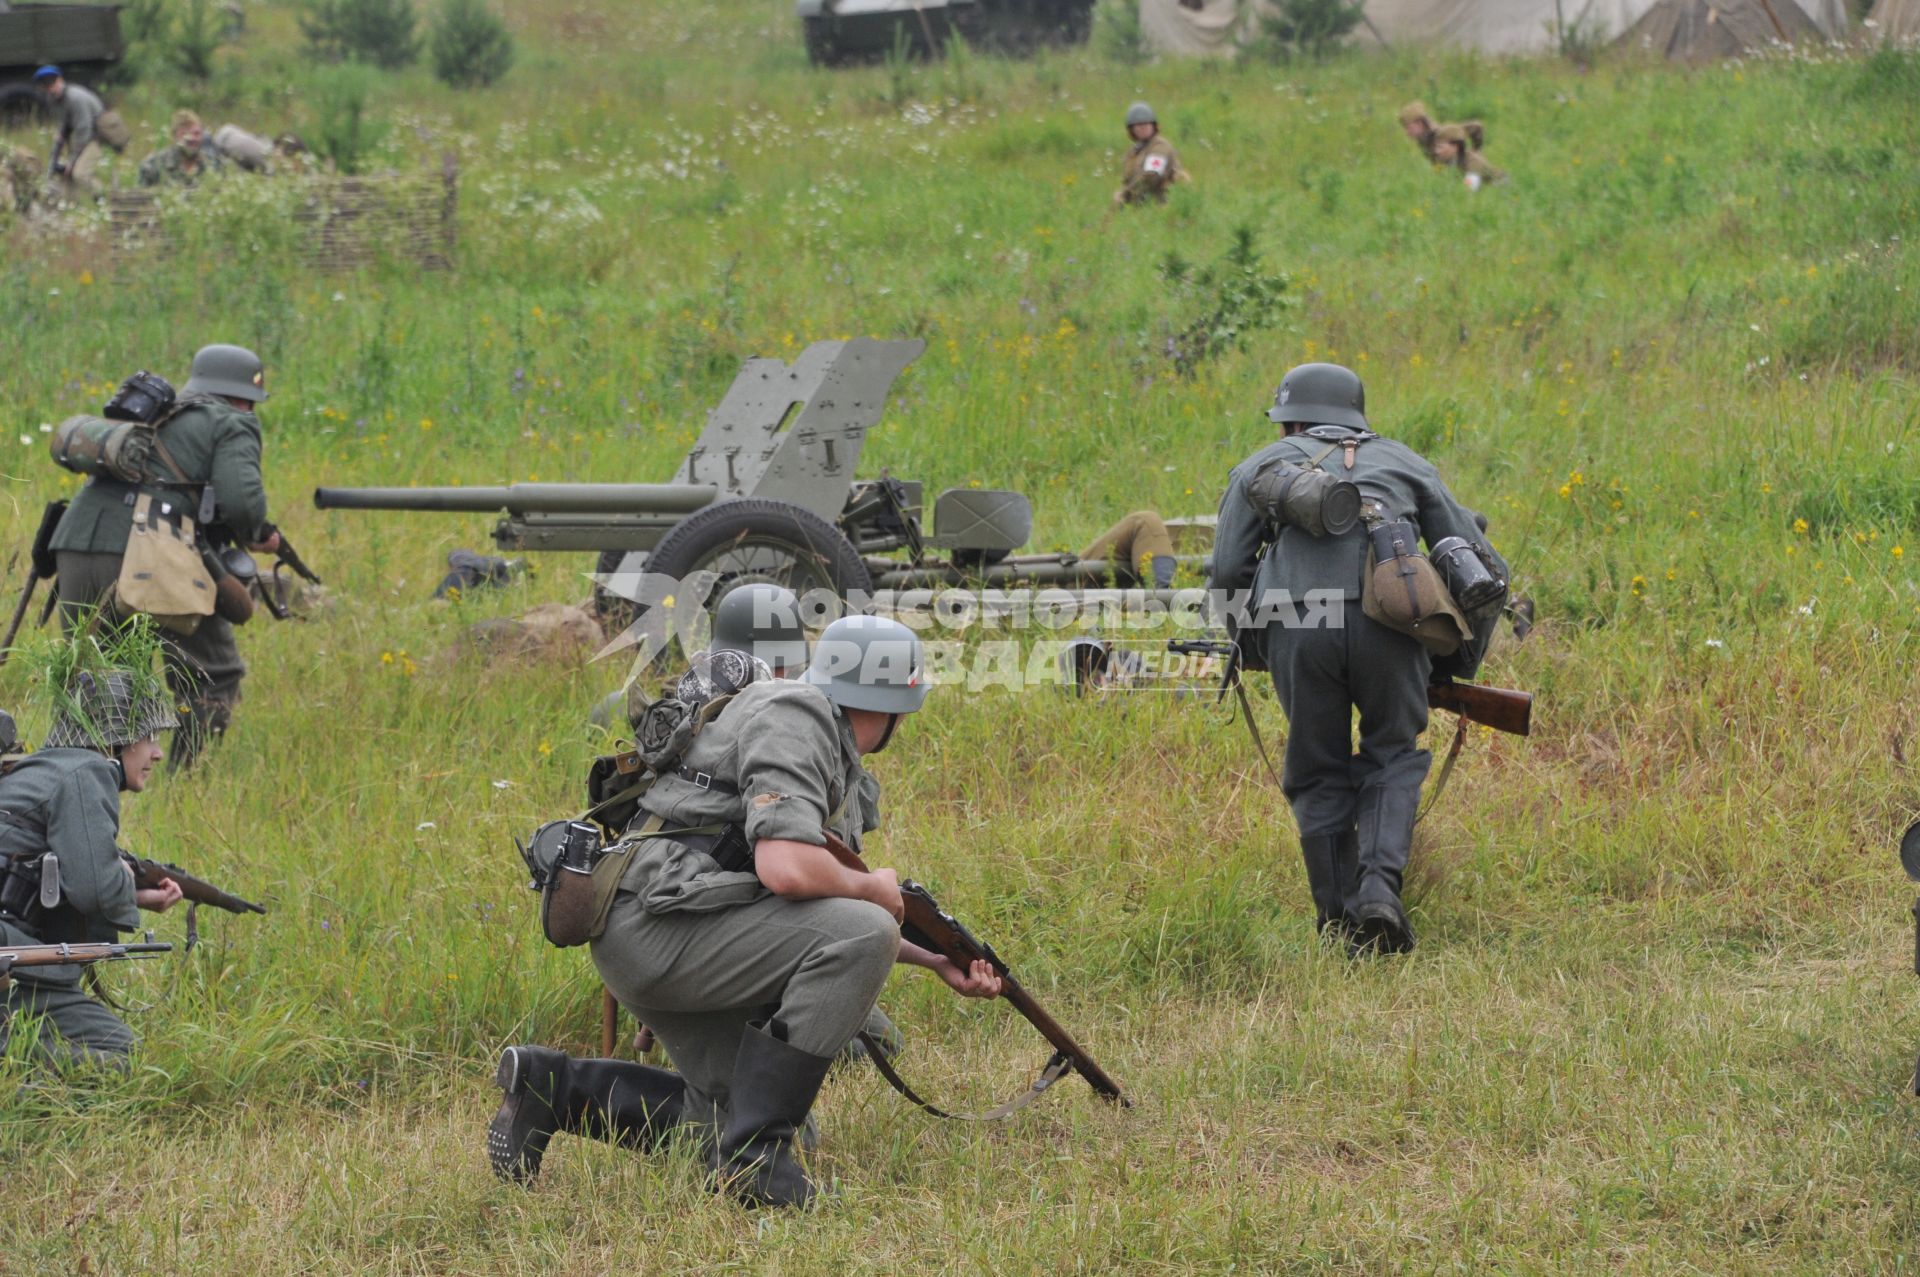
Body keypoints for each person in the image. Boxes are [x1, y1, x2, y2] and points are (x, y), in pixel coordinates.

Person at [489, 615, 1003, 1208]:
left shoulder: (812, 734)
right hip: (665, 932)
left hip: (665, 929)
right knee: (865, 929)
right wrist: (877, 893)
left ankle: (552, 1089)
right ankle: (753, 1166)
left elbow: (815, 917)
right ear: (893, 704)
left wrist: (936, 958)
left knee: (734, 1117)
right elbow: (788, 871)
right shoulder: (798, 716)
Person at [1208, 363, 1506, 955]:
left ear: (1291, 418)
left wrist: (1255, 646)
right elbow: (1481, 570)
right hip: (1393, 624)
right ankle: (1379, 893)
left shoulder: (1261, 467)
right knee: (1392, 755)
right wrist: (1451, 670)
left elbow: (1226, 573)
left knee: (1316, 767)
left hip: (1297, 622)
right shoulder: (1407, 463)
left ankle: (1338, 922)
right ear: (1355, 414)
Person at [50, 344, 279, 772]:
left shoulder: (155, 415)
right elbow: (243, 502)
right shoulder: (231, 421)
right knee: (211, 673)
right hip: (153, 548)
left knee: (97, 678)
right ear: (242, 395)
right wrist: (258, 533)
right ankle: (187, 779)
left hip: (77, 541)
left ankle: (85, 781)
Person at [0, 660, 183, 1070]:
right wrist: (124, 884)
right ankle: (15, 1071)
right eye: (148, 735)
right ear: (115, 738)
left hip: (9, 950)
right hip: (8, 956)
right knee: (127, 1059)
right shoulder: (86, 770)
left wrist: (135, 892)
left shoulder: (45, 769)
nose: (156, 752)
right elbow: (94, 889)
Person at [34, 66, 108, 201]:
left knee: (79, 174)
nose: (50, 88)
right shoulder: (56, 100)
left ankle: (104, 199)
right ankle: (72, 204)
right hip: (82, 138)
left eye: (51, 82)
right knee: (67, 174)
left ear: (60, 80)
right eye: (45, 84)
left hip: (96, 137)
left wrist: (73, 160)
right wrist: (56, 153)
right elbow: (63, 127)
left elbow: (84, 129)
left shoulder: (75, 98)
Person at [1398, 101, 1500, 188]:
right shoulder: (1422, 141)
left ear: (1419, 124)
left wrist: (1477, 150)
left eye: (1408, 127)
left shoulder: (1442, 133)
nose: (1406, 132)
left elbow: (1476, 126)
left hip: (1481, 176)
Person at [1080, 510, 1179, 590]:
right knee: (1147, 521)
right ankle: (1161, 600)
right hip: (1072, 591)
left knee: (1146, 522)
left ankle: (1161, 597)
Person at [1113, 101, 1186, 208]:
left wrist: (1126, 195)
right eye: (1137, 125)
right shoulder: (1134, 152)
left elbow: (1151, 175)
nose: (1141, 128)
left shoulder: (1160, 148)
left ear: (1153, 126)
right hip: (1141, 206)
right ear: (1131, 129)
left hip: (1162, 205)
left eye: (1145, 124)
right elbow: (1127, 180)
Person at [138, 110, 228, 188]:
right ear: (174, 137)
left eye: (196, 133)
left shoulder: (214, 164)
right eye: (184, 134)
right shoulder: (153, 165)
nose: (191, 138)